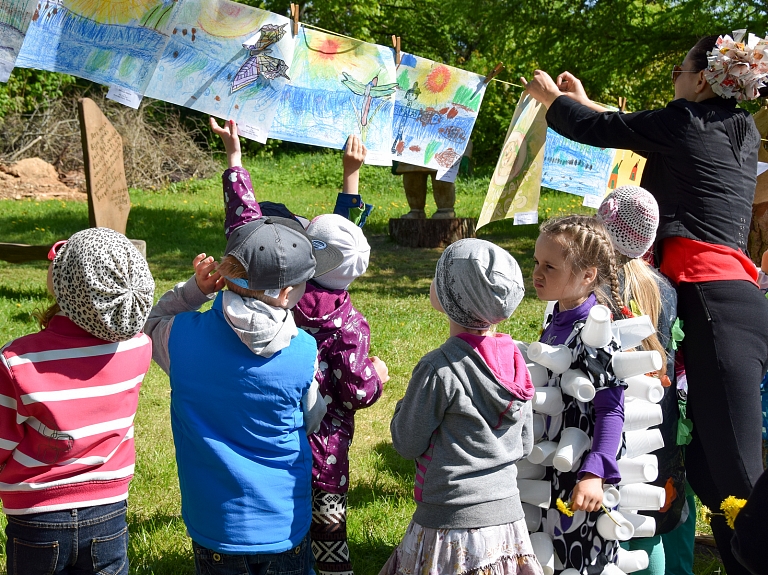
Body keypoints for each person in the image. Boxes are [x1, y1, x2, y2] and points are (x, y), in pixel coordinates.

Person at [522, 32, 768, 573]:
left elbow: (607, 129)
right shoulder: (742, 130)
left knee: (737, 476)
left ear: (702, 79)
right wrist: (585, 102)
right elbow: (638, 127)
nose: (675, 82)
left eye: (680, 73)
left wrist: (552, 102)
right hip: (741, 299)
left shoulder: (681, 121)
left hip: (711, 305)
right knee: (708, 469)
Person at [144, 216, 343, 574]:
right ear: (285, 294)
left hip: (215, 523)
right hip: (283, 522)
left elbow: (150, 323)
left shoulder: (181, 339)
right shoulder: (303, 352)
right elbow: (312, 419)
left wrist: (195, 290)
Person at [382, 238, 543, 575]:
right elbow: (525, 444)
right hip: (507, 520)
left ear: (452, 297)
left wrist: (403, 407)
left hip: (449, 523)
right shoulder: (516, 361)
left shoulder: (439, 368)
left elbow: (407, 441)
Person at [0, 228, 155, 575]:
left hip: (36, 516)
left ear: (64, 287)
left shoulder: (16, 361)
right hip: (109, 509)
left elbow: (2, 440)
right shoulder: (138, 347)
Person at [596, 185, 691, 575]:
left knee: (611, 523)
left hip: (609, 427)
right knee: (652, 520)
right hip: (659, 428)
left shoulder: (592, 290)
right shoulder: (664, 288)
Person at [292, 212, 389, 575]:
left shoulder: (283, 298)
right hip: (327, 450)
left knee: (291, 528)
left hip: (283, 436)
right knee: (327, 532)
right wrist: (376, 376)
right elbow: (357, 391)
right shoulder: (347, 322)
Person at [533, 215, 628, 571]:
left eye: (550, 266)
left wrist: (595, 473)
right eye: (536, 263)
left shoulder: (596, 332)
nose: (538, 273)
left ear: (588, 275)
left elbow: (611, 409)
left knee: (581, 561)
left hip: (582, 478)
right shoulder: (557, 317)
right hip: (551, 467)